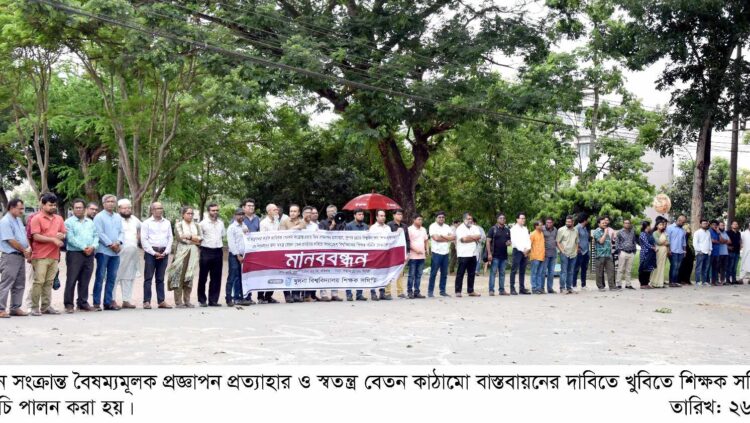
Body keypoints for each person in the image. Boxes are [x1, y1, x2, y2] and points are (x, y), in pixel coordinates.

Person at [29, 193, 66, 315]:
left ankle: (46, 307)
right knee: (38, 281)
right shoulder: (36, 218)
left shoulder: (59, 218)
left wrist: (62, 236)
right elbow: (35, 236)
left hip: (54, 256)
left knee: (49, 282)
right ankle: (34, 307)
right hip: (40, 256)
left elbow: (63, 233)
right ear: (43, 204)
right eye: (50, 205)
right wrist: (53, 239)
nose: (53, 207)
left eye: (54, 205)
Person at [63, 199, 98, 313]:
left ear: (85, 209)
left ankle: (82, 303)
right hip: (75, 254)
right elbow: (70, 238)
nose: (78, 209)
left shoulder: (90, 222)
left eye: (81, 207)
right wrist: (84, 247)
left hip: (89, 254)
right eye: (76, 207)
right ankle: (69, 304)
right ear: (73, 209)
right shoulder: (68, 222)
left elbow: (96, 236)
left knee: (85, 279)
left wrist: (92, 246)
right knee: (72, 279)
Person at [0, 198, 31, 318]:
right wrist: (24, 250)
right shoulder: (5, 221)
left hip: (20, 255)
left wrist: (28, 248)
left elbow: (23, 236)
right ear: (11, 208)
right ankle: (1, 309)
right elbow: (11, 240)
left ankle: (15, 307)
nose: (22, 211)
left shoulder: (17, 220)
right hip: (10, 256)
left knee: (19, 283)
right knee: (6, 283)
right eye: (20, 209)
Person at [92, 194, 123, 311]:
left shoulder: (118, 217)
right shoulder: (99, 217)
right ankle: (96, 303)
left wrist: (119, 242)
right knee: (100, 277)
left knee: (112, 278)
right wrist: (110, 244)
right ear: (103, 203)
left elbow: (121, 232)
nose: (110, 203)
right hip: (103, 251)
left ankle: (108, 302)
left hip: (115, 253)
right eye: (108, 201)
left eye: (112, 201)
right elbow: (99, 233)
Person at [167, 206, 202, 308]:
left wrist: (190, 237)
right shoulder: (179, 225)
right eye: (188, 213)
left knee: (189, 276)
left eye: (192, 213)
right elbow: (181, 238)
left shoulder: (197, 225)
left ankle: (187, 300)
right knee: (179, 276)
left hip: (194, 254)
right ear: (183, 214)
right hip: (181, 253)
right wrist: (194, 240)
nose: (190, 215)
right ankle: (178, 302)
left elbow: (200, 239)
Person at [141, 202, 173, 309]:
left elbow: (170, 238)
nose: (160, 210)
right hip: (151, 253)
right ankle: (146, 301)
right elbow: (144, 240)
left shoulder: (167, 223)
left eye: (161, 208)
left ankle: (161, 301)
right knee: (148, 278)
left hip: (164, 253)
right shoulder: (146, 223)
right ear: (152, 210)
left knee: (160, 278)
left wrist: (165, 252)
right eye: (157, 208)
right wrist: (154, 253)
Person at [114, 199, 141, 309]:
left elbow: (142, 228)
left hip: (133, 252)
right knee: (115, 276)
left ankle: (126, 300)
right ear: (119, 208)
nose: (127, 210)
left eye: (129, 208)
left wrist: (139, 236)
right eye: (124, 208)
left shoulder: (134, 219)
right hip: (119, 252)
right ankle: (111, 299)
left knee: (129, 277)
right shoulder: (115, 218)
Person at [197, 203, 225, 307]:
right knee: (203, 277)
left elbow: (222, 235)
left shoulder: (221, 223)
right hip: (206, 251)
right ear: (208, 211)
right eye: (213, 210)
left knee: (216, 277)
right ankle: (202, 300)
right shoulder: (202, 224)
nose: (215, 212)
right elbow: (199, 239)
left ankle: (213, 300)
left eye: (217, 210)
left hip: (218, 251)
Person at [318, 205, 344, 302]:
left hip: (337, 251)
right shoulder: (322, 223)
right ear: (326, 213)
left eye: (333, 211)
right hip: (325, 252)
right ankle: (323, 294)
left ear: (336, 212)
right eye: (329, 211)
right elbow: (322, 236)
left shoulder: (341, 222)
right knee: (323, 273)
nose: (331, 213)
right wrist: (332, 225)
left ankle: (334, 294)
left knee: (335, 273)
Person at [454, 212, 482, 297]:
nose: (470, 220)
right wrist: (474, 237)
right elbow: (463, 240)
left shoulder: (474, 227)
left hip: (473, 253)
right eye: (468, 219)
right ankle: (458, 291)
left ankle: (471, 291)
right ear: (464, 219)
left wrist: (470, 237)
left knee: (471, 273)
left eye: (471, 219)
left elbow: (479, 236)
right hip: (463, 254)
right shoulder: (460, 228)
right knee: (460, 273)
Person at [428, 211, 455, 297]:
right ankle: (430, 291)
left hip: (445, 253)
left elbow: (453, 237)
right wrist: (447, 238)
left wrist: (442, 236)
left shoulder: (447, 226)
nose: (441, 219)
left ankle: (442, 291)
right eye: (439, 217)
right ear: (436, 218)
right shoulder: (432, 226)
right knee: (433, 273)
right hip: (436, 253)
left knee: (444, 273)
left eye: (443, 217)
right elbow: (436, 238)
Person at [345, 208, 369, 301]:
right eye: (359, 214)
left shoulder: (366, 226)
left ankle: (359, 294)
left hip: (362, 254)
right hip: (351, 254)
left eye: (362, 214)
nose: (361, 216)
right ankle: (349, 294)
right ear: (354, 215)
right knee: (350, 274)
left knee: (361, 274)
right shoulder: (349, 226)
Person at [226, 208, 247, 307]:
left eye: (243, 214)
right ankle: (229, 298)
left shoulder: (244, 226)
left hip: (244, 255)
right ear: (235, 215)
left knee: (242, 277)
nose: (241, 216)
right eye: (239, 214)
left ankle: (240, 298)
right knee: (233, 277)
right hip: (234, 256)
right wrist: (237, 255)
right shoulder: (232, 227)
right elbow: (231, 243)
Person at [386, 209, 410, 299]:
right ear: (393, 215)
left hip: (401, 252)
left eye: (401, 214)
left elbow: (407, 239)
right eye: (398, 214)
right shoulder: (389, 225)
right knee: (389, 272)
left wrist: (408, 252)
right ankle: (387, 292)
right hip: (391, 252)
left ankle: (400, 292)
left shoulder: (404, 226)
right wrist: (396, 233)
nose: (400, 216)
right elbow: (388, 238)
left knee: (400, 272)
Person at [486, 213, 511, 296]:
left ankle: (501, 290)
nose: (502, 220)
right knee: (493, 273)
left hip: (504, 256)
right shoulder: (493, 229)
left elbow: (508, 241)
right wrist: (489, 253)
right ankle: (491, 290)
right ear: (497, 219)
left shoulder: (507, 230)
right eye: (500, 218)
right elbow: (488, 241)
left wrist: (508, 243)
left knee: (502, 273)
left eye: (504, 218)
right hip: (495, 255)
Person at [370, 209, 392, 301]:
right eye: (381, 216)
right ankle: (373, 293)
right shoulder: (373, 228)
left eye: (384, 216)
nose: (383, 217)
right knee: (374, 273)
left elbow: (391, 239)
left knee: (384, 273)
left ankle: (382, 293)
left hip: (386, 254)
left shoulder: (388, 228)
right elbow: (370, 241)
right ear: (376, 217)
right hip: (376, 254)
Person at [241, 198, 260, 303]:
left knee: (251, 274)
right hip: (242, 251)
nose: (251, 207)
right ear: (243, 207)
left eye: (252, 206)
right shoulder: (239, 217)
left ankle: (249, 296)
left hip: (253, 251)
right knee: (240, 274)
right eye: (249, 206)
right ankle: (240, 296)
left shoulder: (257, 219)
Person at [593, 217, 618, 291]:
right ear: (598, 224)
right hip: (600, 255)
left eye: (605, 223)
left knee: (611, 270)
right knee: (599, 272)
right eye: (603, 223)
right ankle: (600, 287)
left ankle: (612, 286)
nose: (605, 224)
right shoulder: (597, 231)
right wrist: (605, 233)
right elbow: (601, 241)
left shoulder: (605, 230)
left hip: (608, 254)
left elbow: (610, 242)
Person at [407, 214, 429, 299]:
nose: (420, 221)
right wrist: (416, 250)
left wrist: (427, 250)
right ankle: (409, 292)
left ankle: (417, 292)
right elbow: (408, 242)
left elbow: (426, 240)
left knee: (419, 275)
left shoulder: (423, 229)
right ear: (414, 220)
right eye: (419, 219)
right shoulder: (410, 229)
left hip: (422, 256)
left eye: (421, 219)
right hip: (413, 256)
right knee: (411, 275)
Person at [556, 215, 579, 294]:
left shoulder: (576, 231)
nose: (568, 223)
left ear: (573, 222)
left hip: (573, 254)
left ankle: (569, 287)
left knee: (571, 271)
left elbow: (577, 242)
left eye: (569, 222)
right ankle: (562, 288)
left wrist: (576, 251)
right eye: (567, 222)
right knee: (564, 271)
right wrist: (562, 251)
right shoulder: (561, 230)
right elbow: (558, 242)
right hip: (564, 254)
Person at [510, 213, 531, 295]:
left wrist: (528, 249)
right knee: (514, 270)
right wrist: (523, 250)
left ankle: (522, 289)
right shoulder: (513, 229)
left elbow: (528, 240)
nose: (523, 220)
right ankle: (512, 288)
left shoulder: (525, 229)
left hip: (525, 252)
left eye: (524, 218)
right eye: (521, 218)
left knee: (523, 270)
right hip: (518, 251)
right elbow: (514, 241)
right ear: (517, 219)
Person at [614, 219, 637, 290]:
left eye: (628, 223)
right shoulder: (620, 232)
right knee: (620, 269)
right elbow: (617, 242)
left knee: (629, 270)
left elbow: (634, 241)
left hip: (631, 252)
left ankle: (628, 284)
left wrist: (634, 250)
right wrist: (619, 251)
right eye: (625, 223)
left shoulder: (632, 232)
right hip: (623, 252)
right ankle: (618, 284)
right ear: (623, 224)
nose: (627, 224)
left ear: (630, 224)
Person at [666, 215, 687, 288]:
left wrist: (684, 251)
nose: (683, 223)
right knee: (674, 266)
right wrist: (668, 250)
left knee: (678, 267)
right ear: (679, 220)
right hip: (673, 251)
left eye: (684, 222)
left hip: (680, 251)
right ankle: (671, 282)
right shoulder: (669, 228)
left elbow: (684, 241)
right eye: (683, 222)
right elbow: (667, 240)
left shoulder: (683, 230)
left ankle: (675, 281)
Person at [649, 219, 669, 288]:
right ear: (657, 226)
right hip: (658, 251)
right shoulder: (655, 233)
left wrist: (665, 243)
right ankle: (654, 282)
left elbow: (668, 242)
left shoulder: (665, 233)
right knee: (657, 265)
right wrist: (664, 243)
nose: (662, 226)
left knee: (662, 267)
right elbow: (658, 242)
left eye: (663, 225)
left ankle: (660, 283)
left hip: (664, 251)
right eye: (660, 225)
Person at [573, 214, 591, 290]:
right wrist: (578, 249)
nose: (588, 220)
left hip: (586, 251)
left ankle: (583, 285)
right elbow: (574, 239)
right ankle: (573, 285)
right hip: (579, 251)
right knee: (576, 269)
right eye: (588, 219)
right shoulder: (577, 228)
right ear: (585, 220)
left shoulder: (585, 228)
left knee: (584, 268)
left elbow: (586, 239)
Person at [693, 218, 712, 286]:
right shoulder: (697, 232)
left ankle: (704, 282)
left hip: (707, 253)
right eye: (704, 223)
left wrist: (710, 250)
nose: (705, 225)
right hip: (700, 253)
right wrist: (699, 251)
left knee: (706, 268)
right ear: (700, 224)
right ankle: (697, 282)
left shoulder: (708, 232)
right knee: (699, 268)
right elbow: (695, 243)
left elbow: (710, 242)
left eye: (706, 223)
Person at [638, 221, 656, 289]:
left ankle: (646, 283)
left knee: (649, 268)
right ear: (647, 226)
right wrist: (653, 247)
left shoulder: (649, 234)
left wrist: (654, 247)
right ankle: (642, 284)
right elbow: (646, 243)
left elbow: (653, 242)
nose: (650, 227)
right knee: (643, 268)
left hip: (651, 253)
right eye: (649, 226)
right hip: (645, 253)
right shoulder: (642, 234)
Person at [529, 221, 546, 294]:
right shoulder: (532, 234)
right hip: (535, 257)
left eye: (542, 225)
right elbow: (529, 245)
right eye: (540, 225)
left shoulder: (542, 233)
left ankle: (539, 288)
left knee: (540, 273)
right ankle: (534, 288)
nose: (542, 226)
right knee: (534, 273)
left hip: (542, 256)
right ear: (536, 226)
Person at [727, 220, 742, 285]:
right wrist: (728, 247)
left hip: (737, 252)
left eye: (736, 224)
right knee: (730, 266)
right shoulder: (728, 232)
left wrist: (741, 246)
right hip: (731, 252)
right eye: (734, 224)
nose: (735, 225)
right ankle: (727, 280)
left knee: (735, 267)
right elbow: (726, 241)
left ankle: (734, 280)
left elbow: (739, 241)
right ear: (731, 225)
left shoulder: (738, 233)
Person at [709, 220, 722, 286]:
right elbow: (712, 240)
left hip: (717, 252)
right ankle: (708, 281)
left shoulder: (717, 232)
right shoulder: (709, 231)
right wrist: (718, 242)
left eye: (716, 225)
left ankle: (714, 281)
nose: (715, 226)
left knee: (715, 268)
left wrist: (719, 233)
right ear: (711, 225)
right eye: (713, 224)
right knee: (709, 267)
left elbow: (721, 240)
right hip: (711, 252)